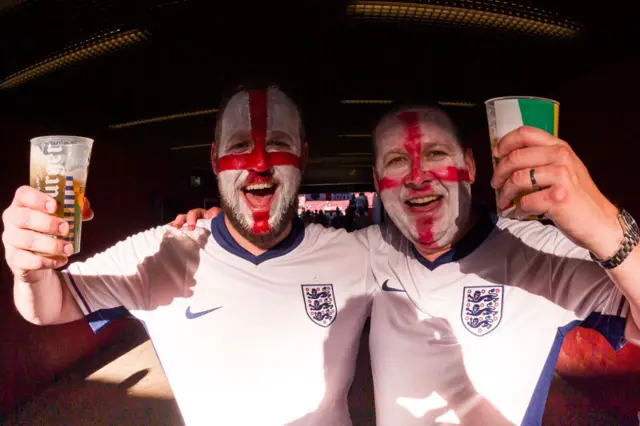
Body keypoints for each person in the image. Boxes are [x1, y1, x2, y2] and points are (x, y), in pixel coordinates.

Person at [174, 105, 640, 426]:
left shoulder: (538, 254)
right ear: (379, 182)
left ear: (472, 165)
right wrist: (220, 226)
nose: (417, 175)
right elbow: (283, 254)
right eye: (398, 160)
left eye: (436, 154)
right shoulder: (368, 251)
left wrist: (604, 226)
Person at [2, 84, 375, 425]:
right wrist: (30, 272)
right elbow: (48, 308)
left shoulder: (358, 255)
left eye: (278, 142)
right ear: (214, 160)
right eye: (240, 145)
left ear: (303, 157)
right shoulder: (163, 252)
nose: (259, 162)